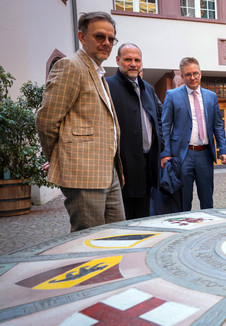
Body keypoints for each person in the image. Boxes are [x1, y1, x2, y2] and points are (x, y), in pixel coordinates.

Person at [36, 11, 125, 231]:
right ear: (82, 37)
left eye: (110, 39)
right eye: (99, 36)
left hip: (108, 171)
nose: (106, 43)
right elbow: (46, 120)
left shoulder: (98, 72)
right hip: (82, 173)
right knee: (88, 242)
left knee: (118, 235)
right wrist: (61, 158)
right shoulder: (71, 66)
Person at [160, 57, 226, 210]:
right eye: (188, 75)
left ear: (201, 73)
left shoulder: (211, 97)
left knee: (207, 199)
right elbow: (165, 126)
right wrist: (165, 153)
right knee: (184, 200)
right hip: (183, 155)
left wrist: (223, 150)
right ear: (182, 77)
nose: (192, 77)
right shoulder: (172, 95)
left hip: (205, 154)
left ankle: (209, 226)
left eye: (195, 73)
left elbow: (218, 125)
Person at [106, 43, 163, 219]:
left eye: (137, 60)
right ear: (118, 60)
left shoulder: (148, 88)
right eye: (128, 59)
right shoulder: (107, 86)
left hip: (147, 165)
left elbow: (157, 121)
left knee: (144, 216)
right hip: (123, 167)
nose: (133, 64)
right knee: (124, 219)